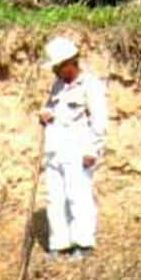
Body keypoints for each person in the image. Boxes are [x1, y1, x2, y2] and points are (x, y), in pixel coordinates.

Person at [38, 36, 108, 260]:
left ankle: (83, 242)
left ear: (70, 63)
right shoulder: (58, 86)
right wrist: (45, 113)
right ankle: (59, 243)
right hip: (55, 148)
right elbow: (52, 109)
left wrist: (93, 150)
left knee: (78, 195)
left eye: (58, 67)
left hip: (78, 149)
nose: (55, 71)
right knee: (55, 198)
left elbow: (99, 121)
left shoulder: (91, 85)